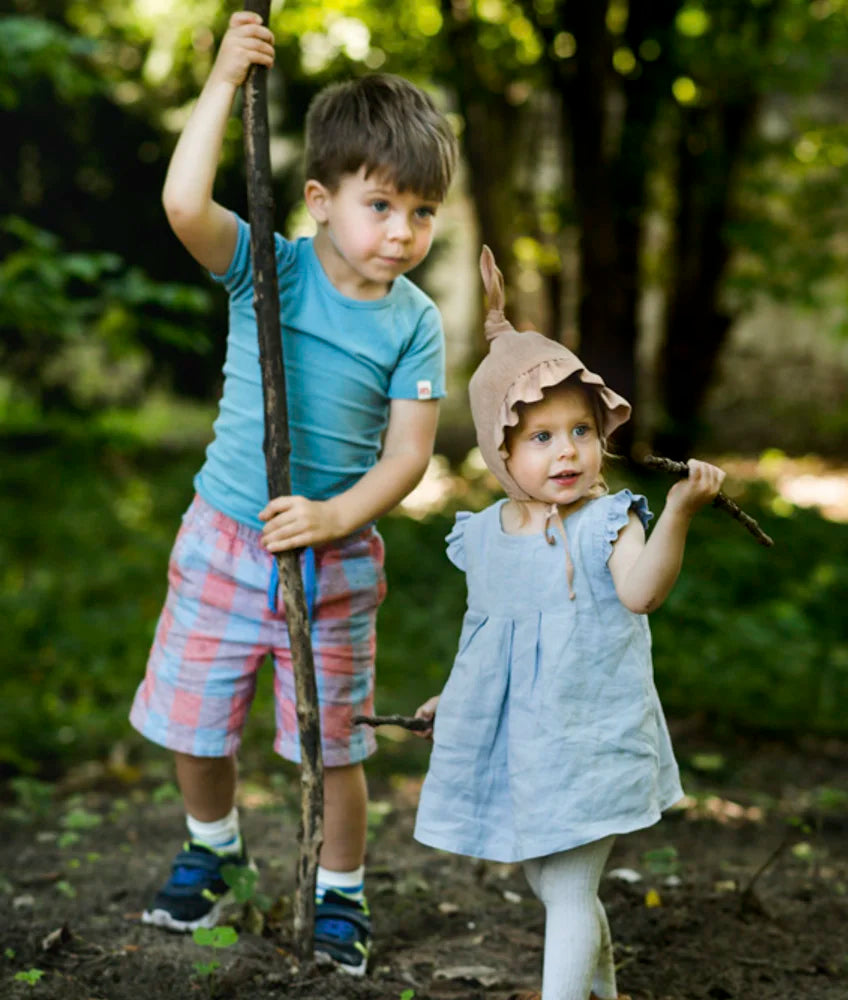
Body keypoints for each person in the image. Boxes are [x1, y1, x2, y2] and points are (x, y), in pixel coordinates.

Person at [128, 11, 458, 976]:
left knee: (337, 743)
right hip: (225, 540)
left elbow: (408, 457)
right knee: (195, 721)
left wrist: (336, 517)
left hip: (335, 558)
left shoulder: (416, 324)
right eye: (383, 205)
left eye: (423, 213)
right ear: (319, 200)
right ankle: (213, 844)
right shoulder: (268, 271)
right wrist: (226, 78)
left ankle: (343, 893)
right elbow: (185, 205)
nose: (404, 232)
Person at [411, 246, 725, 1000]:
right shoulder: (484, 536)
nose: (568, 452)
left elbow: (642, 593)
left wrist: (678, 514)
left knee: (571, 885)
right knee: (551, 884)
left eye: (580, 431)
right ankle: (603, 990)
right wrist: (449, 702)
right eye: (542, 437)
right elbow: (484, 639)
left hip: (590, 736)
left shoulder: (607, 522)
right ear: (500, 450)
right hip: (522, 746)